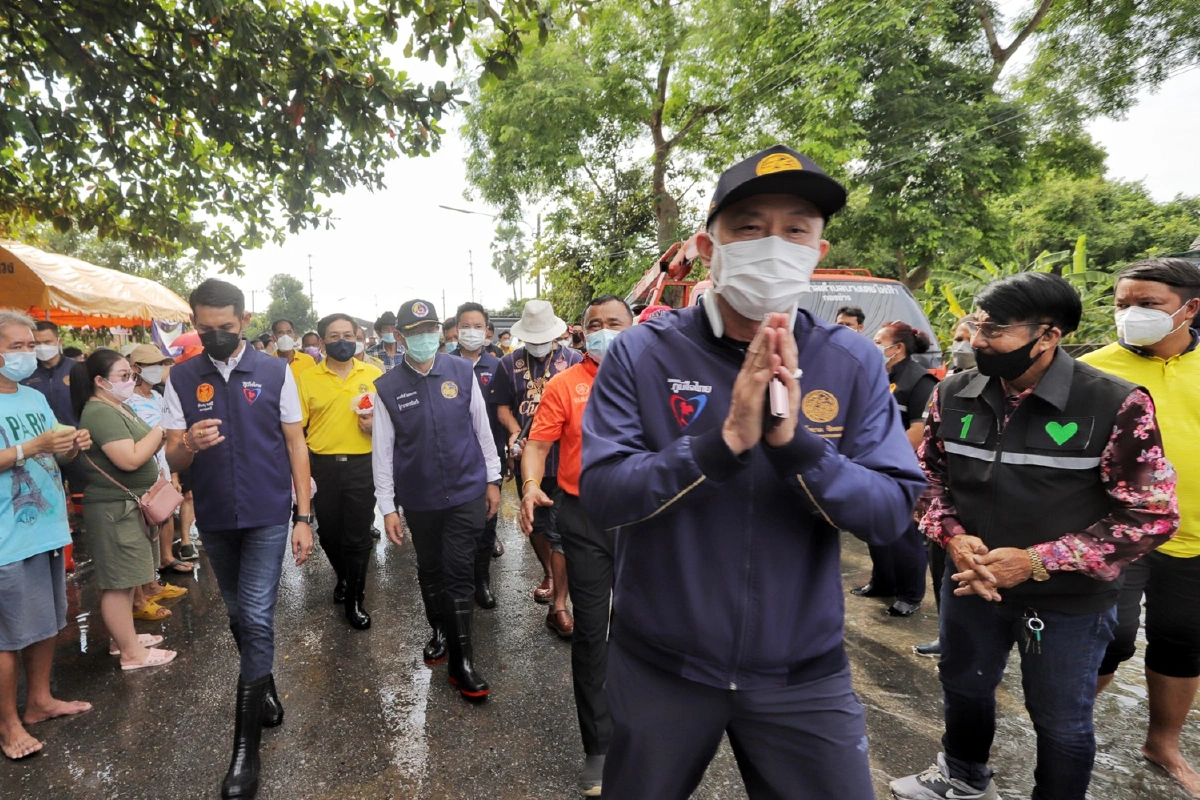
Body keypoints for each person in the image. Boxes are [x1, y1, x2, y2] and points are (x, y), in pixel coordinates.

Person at [580, 144, 926, 798]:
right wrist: (724, 441)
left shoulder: (850, 361)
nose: (773, 245)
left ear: (817, 252)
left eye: (795, 229)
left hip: (803, 675)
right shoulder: (642, 354)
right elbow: (603, 494)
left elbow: (890, 512)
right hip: (661, 669)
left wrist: (798, 448)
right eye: (748, 226)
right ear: (706, 247)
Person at [891, 272, 1180, 800]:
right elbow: (925, 477)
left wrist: (1036, 561)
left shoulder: (1114, 403)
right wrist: (952, 537)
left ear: (1048, 336)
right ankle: (962, 776)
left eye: (995, 330)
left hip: (1068, 598)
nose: (978, 341)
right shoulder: (952, 393)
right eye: (977, 325)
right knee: (964, 685)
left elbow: (1151, 514)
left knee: (1060, 716)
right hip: (972, 582)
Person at [162, 279, 314, 799]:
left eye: (225, 327)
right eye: (205, 329)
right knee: (237, 614)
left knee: (254, 614)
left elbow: (295, 444)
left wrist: (303, 516)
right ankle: (263, 684)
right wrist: (188, 442)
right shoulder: (182, 377)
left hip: (267, 513)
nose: (216, 336)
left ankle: (245, 751)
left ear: (244, 321)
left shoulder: (274, 371)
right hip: (215, 515)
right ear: (194, 324)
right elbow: (173, 454)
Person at [1080, 258, 1200, 797]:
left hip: (1195, 538)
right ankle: (1067, 729)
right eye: (1122, 303)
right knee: (1110, 637)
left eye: (1147, 304)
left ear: (1189, 308)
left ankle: (1163, 744)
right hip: (1116, 534)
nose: (1130, 314)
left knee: (1183, 643)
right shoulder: (1092, 369)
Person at [522, 294, 633, 796]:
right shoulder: (565, 384)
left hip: (643, 519)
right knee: (592, 632)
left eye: (615, 322)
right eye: (595, 323)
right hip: (584, 519)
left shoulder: (655, 378)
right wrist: (529, 485)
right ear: (581, 332)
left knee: (643, 627)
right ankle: (600, 747)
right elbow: (538, 445)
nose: (605, 330)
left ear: (633, 326)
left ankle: (646, 731)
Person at [372, 300, 501, 701]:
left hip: (466, 491)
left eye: (430, 329)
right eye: (415, 332)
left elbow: (482, 430)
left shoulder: (461, 372)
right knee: (430, 568)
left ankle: (462, 663)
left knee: (459, 570)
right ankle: (440, 631)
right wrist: (388, 508)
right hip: (420, 497)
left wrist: (493, 479)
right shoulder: (387, 387)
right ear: (400, 336)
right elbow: (383, 452)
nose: (425, 337)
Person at [0, 310, 93, 761]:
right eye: (15, 346)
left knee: (46, 623)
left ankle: (38, 701)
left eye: (29, 345)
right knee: (7, 637)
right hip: (7, 537)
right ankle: (8, 724)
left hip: (47, 528)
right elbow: (33, 448)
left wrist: (73, 443)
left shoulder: (33, 397)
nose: (27, 353)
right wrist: (30, 447)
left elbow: (54, 446)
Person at [72, 349, 179, 671]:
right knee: (118, 584)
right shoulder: (99, 412)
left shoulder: (118, 406)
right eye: (123, 375)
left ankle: (124, 639)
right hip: (114, 509)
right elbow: (129, 459)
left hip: (127, 505)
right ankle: (131, 653)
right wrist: (161, 429)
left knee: (128, 578)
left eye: (131, 374)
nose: (130, 380)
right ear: (100, 381)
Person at [488, 299, 582, 634]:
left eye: (543, 338)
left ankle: (560, 602)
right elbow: (501, 406)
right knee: (537, 525)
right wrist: (515, 431)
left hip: (567, 458)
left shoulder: (574, 361)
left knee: (560, 530)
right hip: (529, 457)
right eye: (532, 338)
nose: (538, 344)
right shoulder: (508, 364)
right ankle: (550, 572)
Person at [298, 313, 382, 630]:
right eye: (334, 336)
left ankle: (355, 600)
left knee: (358, 535)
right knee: (329, 533)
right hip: (323, 467)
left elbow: (390, 423)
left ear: (357, 337)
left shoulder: (373, 374)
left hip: (363, 464)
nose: (342, 341)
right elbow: (297, 429)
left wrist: (374, 427)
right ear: (322, 342)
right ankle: (344, 576)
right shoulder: (307, 379)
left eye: (348, 335)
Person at [851, 321, 937, 617]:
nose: (872, 345)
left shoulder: (919, 380)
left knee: (904, 535)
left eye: (878, 340)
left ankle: (910, 594)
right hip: (872, 465)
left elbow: (918, 431)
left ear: (897, 348)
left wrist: (884, 455)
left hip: (900, 467)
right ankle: (882, 582)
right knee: (876, 528)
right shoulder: (876, 375)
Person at [915, 316, 976, 658]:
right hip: (946, 509)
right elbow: (930, 449)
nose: (962, 346)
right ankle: (947, 635)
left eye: (967, 337)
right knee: (943, 575)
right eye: (957, 338)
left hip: (982, 511)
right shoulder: (948, 384)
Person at [452, 302, 506, 608]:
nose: (471, 332)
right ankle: (459, 581)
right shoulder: (444, 365)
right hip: (454, 459)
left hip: (489, 458)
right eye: (465, 326)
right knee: (457, 525)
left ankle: (481, 581)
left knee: (487, 521)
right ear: (456, 329)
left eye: (477, 326)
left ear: (487, 331)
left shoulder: (498, 367)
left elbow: (504, 412)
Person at [127, 345, 195, 577]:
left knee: (165, 513)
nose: (158, 369)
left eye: (160, 364)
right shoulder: (127, 401)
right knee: (144, 520)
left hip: (163, 467)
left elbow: (170, 439)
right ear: (136, 368)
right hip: (142, 467)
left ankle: (165, 559)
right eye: (152, 365)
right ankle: (147, 576)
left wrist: (173, 473)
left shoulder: (158, 397)